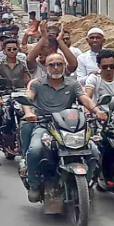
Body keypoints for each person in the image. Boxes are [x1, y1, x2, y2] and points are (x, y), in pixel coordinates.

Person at [21, 53, 107, 202]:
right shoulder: (37, 84)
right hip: (44, 125)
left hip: (69, 127)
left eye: (59, 64)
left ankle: (86, 183)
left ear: (65, 66)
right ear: (46, 67)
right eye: (52, 65)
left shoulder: (72, 83)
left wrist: (97, 111)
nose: (56, 68)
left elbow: (84, 98)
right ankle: (34, 184)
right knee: (34, 149)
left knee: (93, 150)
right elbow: (28, 97)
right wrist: (28, 112)